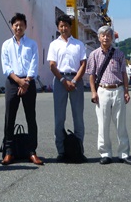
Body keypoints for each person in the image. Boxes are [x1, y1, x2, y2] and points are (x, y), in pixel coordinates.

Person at [86, 25, 131, 165]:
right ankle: (105, 153)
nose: (106, 37)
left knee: (121, 124)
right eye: (103, 35)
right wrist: (93, 92)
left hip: (118, 89)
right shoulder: (94, 54)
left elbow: (124, 74)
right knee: (103, 124)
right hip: (102, 90)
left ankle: (124, 153)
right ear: (99, 37)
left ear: (112, 37)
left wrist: (126, 91)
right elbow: (92, 75)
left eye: (108, 35)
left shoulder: (119, 54)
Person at [0, 12, 43, 166]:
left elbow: (34, 63)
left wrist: (27, 82)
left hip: (28, 81)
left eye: (21, 25)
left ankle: (32, 151)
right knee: (9, 118)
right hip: (12, 82)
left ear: (25, 26)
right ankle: (9, 152)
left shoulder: (32, 44)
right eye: (16, 25)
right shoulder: (6, 45)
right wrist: (19, 81)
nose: (18, 27)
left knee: (31, 117)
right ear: (12, 26)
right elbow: (5, 66)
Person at [47, 14, 86, 162]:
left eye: (66, 26)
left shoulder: (79, 44)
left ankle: (79, 150)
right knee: (59, 118)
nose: (64, 28)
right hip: (59, 80)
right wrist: (63, 80)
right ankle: (61, 151)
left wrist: (75, 81)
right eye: (61, 26)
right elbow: (52, 65)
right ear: (58, 28)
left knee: (78, 117)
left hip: (76, 80)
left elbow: (83, 64)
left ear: (70, 27)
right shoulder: (54, 45)